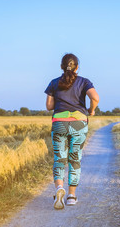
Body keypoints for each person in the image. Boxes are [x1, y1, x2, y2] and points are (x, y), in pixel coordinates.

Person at [44, 53, 99, 209]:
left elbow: (49, 106)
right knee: (75, 159)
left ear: (62, 66)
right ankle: (71, 196)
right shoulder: (84, 82)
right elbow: (95, 97)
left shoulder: (54, 83)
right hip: (78, 124)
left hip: (59, 123)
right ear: (77, 67)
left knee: (59, 158)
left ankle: (59, 188)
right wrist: (91, 110)